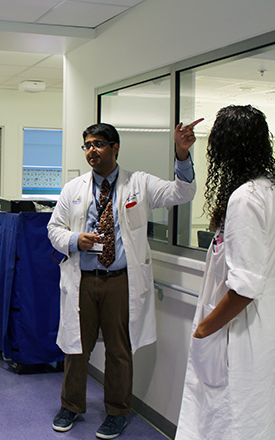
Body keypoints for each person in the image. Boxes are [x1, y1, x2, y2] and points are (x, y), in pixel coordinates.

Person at [47, 120, 201, 439]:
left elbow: (182, 192)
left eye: (98, 144)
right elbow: (53, 228)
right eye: (87, 145)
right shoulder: (73, 189)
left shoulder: (139, 184)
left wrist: (182, 154)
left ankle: (117, 411)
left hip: (120, 280)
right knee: (77, 347)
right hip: (84, 278)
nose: (92, 150)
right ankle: (71, 405)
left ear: (115, 148)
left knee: (120, 349)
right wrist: (76, 239)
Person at [175, 105, 275, 439]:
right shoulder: (267, 190)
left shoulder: (245, 199)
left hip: (238, 333)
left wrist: (204, 329)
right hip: (260, 329)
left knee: (229, 419)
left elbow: (244, 287)